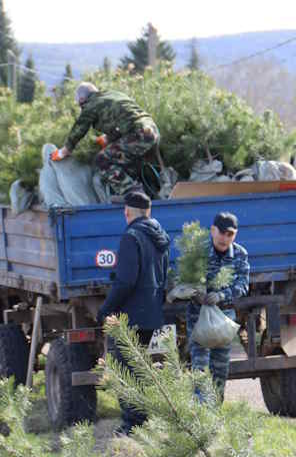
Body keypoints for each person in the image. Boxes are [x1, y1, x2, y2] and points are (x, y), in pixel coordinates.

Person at [98, 190, 171, 435]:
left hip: (130, 316)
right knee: (143, 370)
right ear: (148, 211)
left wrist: (106, 309)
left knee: (125, 373)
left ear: (127, 212)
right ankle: (144, 421)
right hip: (152, 314)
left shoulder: (132, 236)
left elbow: (126, 281)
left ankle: (132, 426)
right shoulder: (160, 235)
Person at [52, 82, 160, 197]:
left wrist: (64, 151)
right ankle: (148, 194)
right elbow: (124, 117)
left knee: (102, 160)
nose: (81, 107)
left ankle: (132, 195)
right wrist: (108, 138)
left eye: (80, 104)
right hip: (152, 130)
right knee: (127, 164)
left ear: (82, 98)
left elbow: (79, 128)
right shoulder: (113, 94)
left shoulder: (91, 104)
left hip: (138, 134)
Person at [187, 212, 250, 404]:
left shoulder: (240, 254)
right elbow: (182, 279)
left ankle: (215, 410)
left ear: (235, 234)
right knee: (199, 366)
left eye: (230, 234)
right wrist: (196, 293)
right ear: (213, 230)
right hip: (199, 317)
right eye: (221, 233)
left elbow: (243, 285)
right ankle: (199, 414)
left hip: (224, 317)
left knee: (220, 368)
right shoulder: (197, 252)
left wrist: (222, 295)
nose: (225, 238)